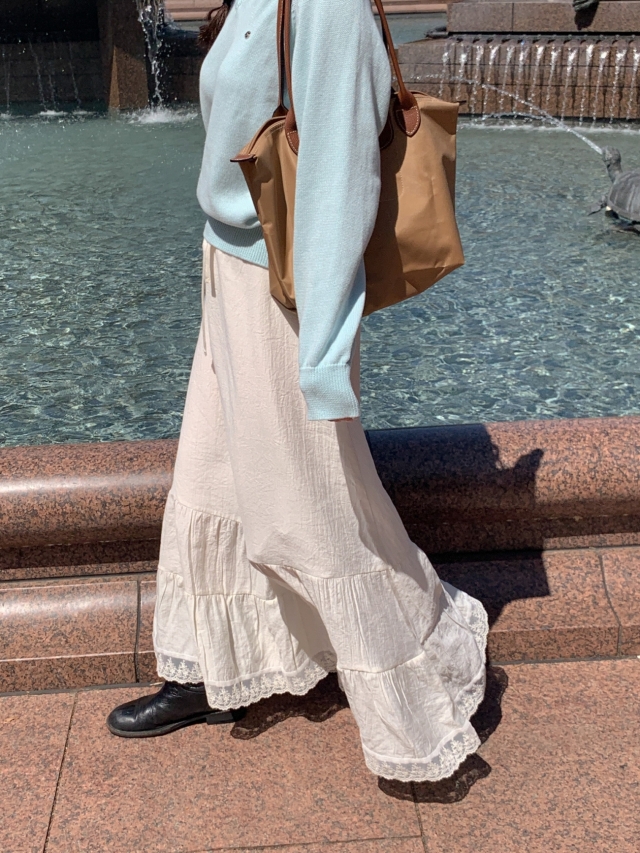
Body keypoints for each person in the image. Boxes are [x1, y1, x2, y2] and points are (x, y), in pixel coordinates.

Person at [107, 0, 488, 783]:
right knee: (211, 474)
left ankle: (421, 697)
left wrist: (322, 350)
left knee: (310, 512)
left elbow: (339, 176)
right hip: (230, 268)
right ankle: (212, 669)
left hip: (283, 294)